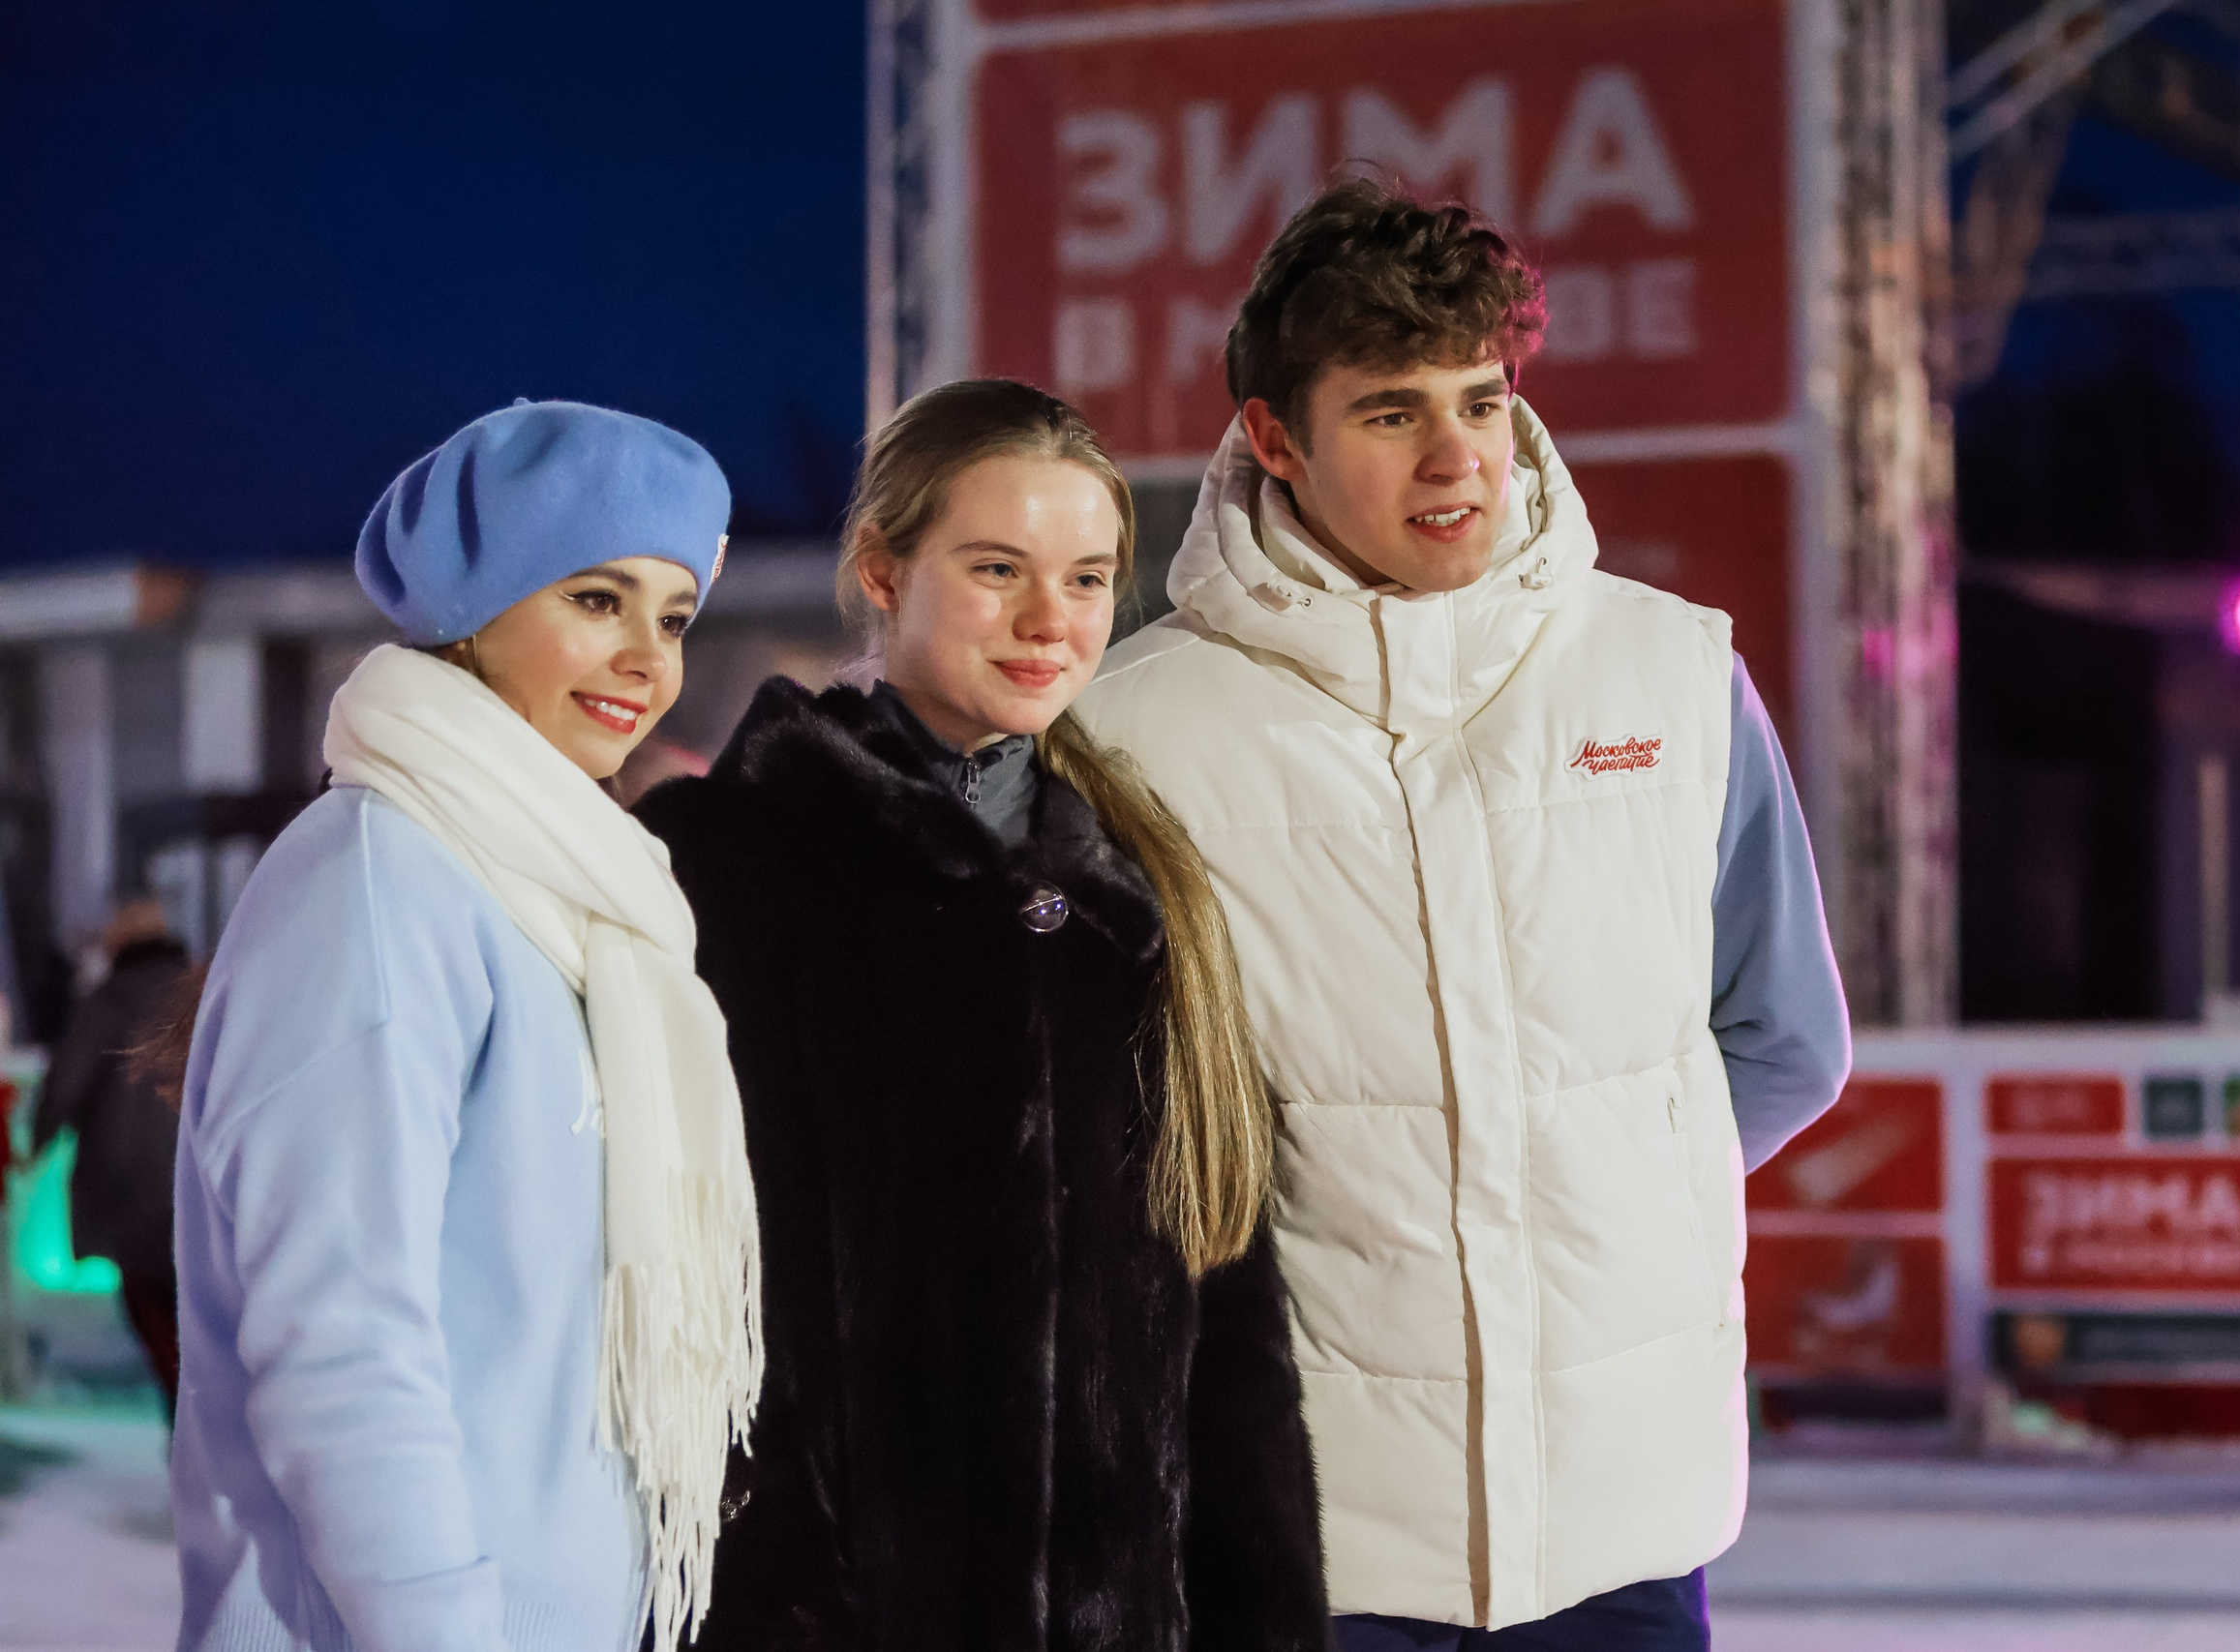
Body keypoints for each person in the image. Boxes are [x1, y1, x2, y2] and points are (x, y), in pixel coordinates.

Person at [1071, 180, 1854, 1649]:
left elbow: (1785, 1038)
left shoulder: (1670, 675)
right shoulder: (1132, 731)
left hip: (1624, 1521)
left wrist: (1607, 1202)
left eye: (1480, 400)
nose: (1456, 456)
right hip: (1304, 1532)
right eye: (1388, 412)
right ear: (1275, 438)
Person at [637, 377, 1328, 1650]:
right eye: (996, 566)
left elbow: (1232, 1347)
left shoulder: (1146, 888)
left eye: (1084, 577)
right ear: (882, 569)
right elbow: (654, 1294)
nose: (1046, 620)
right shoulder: (714, 866)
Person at [170, 401, 762, 1652]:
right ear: (472, 607)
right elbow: (339, 1336)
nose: (650, 661)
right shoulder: (383, 878)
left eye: (674, 616)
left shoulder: (572, 894)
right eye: (596, 599)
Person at [32, 896, 191, 1416]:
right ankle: (200, 1435)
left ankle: (186, 1425)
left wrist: (34, 1144)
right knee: (195, 1312)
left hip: (127, 1179)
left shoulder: (107, 1001)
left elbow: (65, 1085)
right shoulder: (203, 990)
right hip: (197, 1177)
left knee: (150, 1306)